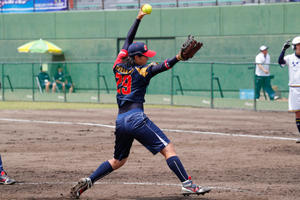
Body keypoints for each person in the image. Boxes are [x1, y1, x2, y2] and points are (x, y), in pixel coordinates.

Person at [70, 8, 211, 199]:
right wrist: (179, 57)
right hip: (136, 118)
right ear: (136, 58)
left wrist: (138, 18)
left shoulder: (117, 66)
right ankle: (187, 184)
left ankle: (89, 181)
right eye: (144, 55)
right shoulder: (143, 71)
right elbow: (165, 65)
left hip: (121, 121)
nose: (148, 57)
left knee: (119, 160)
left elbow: (128, 40)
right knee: (168, 148)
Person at [278, 36, 300, 143]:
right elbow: (280, 61)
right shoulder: (290, 58)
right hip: (294, 89)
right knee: (298, 113)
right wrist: (283, 50)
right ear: (294, 47)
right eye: (298, 45)